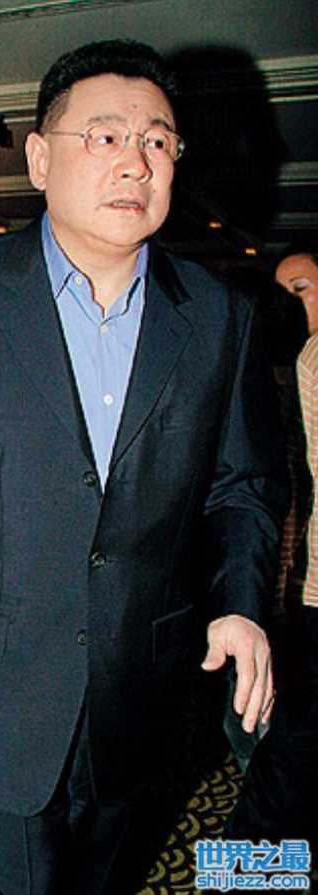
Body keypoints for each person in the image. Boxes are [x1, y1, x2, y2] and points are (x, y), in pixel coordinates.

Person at [0, 39, 286, 895]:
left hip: (142, 678)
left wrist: (240, 603)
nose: (135, 162)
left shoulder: (220, 317)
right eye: (104, 137)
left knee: (107, 868)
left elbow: (243, 487)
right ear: (39, 159)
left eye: (157, 141)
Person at [226, 251, 318, 847]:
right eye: (284, 292)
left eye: (302, 287)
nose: (292, 304)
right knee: (282, 753)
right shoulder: (295, 364)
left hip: (292, 583)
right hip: (291, 585)